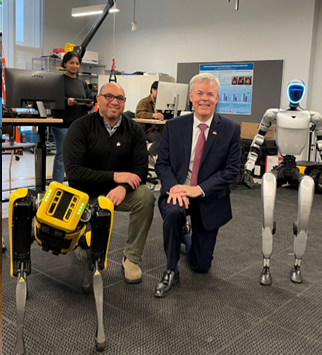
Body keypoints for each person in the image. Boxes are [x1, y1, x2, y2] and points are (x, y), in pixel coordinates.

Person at [152, 73, 241, 297]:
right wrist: (174, 188)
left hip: (208, 198)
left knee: (201, 266)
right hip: (177, 192)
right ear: (191, 96)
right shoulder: (173, 126)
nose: (204, 98)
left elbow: (231, 171)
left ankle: (184, 236)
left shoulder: (230, 129)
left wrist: (197, 190)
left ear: (217, 97)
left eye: (210, 94)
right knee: (174, 212)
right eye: (199, 93)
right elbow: (162, 164)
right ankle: (171, 270)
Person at [61, 82, 155, 284]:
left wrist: (124, 186)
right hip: (86, 195)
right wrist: (115, 177)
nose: (115, 102)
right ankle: (80, 239)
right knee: (87, 253)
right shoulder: (80, 127)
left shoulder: (135, 130)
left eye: (120, 99)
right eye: (109, 96)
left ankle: (131, 259)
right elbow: (74, 172)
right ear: (98, 99)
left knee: (146, 197)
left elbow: (140, 170)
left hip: (118, 193)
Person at [50, 51, 91, 184]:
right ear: (65, 63)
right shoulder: (57, 81)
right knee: (62, 156)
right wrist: (66, 102)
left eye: (77, 63)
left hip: (80, 125)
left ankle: (78, 185)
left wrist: (89, 103)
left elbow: (89, 100)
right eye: (72, 63)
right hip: (63, 124)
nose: (75, 66)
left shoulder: (82, 83)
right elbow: (52, 100)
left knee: (80, 156)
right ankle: (57, 186)